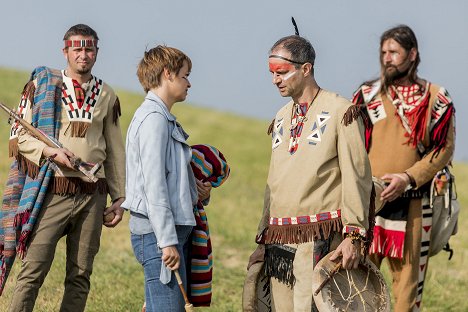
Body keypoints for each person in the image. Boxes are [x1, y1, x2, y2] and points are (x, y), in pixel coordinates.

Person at [0, 24, 126, 312]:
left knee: (80, 275)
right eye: (78, 48)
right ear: (65, 51)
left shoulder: (107, 94)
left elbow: (115, 151)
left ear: (97, 51)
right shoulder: (43, 85)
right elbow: (19, 137)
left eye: (89, 48)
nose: (84, 54)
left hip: (93, 195)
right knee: (33, 270)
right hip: (53, 188)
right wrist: (50, 152)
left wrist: (119, 199)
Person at [248, 34, 373, 311]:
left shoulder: (342, 111)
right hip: (279, 239)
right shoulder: (281, 116)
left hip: (318, 237)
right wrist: (262, 238)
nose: (275, 80)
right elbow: (274, 181)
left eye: (281, 72)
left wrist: (354, 235)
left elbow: (357, 176)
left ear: (306, 68)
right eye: (271, 73)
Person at [352, 25, 455, 311]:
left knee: (407, 294)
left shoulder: (436, 98)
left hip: (413, 205)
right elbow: (350, 144)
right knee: (356, 286)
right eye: (383, 52)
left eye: (394, 52)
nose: (386, 58)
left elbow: (443, 149)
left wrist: (408, 178)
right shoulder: (366, 95)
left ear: (412, 54)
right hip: (368, 203)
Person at [122, 45, 212, 312]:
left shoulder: (161, 118)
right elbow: (154, 184)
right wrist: (167, 241)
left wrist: (195, 190)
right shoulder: (153, 120)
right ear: (168, 74)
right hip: (158, 235)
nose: (189, 83)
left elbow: (168, 176)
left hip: (163, 233)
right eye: (185, 75)